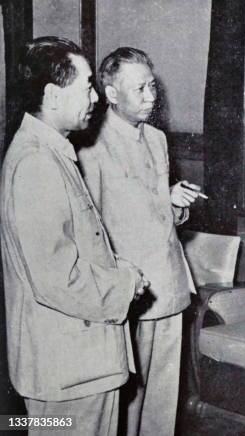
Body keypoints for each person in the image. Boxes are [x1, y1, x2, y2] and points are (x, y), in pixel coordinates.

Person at [0, 36, 147, 435]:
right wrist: (125, 283)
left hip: (78, 361)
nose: (96, 97)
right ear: (52, 94)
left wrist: (117, 267)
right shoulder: (36, 162)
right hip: (68, 368)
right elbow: (55, 277)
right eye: (86, 86)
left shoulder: (50, 151)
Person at [78, 47, 199, 436]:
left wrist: (175, 201)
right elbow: (91, 226)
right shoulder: (89, 145)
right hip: (128, 289)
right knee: (128, 393)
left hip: (169, 283)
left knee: (164, 394)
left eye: (152, 86)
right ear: (111, 94)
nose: (151, 97)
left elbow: (159, 213)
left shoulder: (158, 139)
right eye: (140, 89)